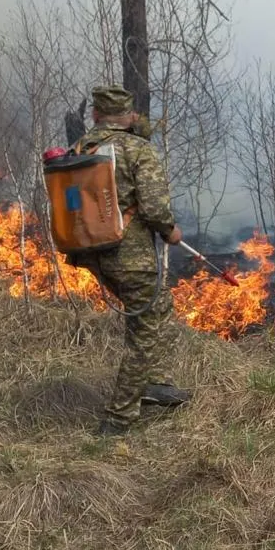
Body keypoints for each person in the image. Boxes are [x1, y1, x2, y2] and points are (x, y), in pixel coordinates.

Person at [75, 85, 191, 436]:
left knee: (161, 306)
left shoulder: (80, 149)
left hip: (93, 256)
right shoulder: (137, 149)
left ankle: (154, 383)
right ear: (128, 116)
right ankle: (119, 418)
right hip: (133, 259)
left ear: (95, 115)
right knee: (142, 333)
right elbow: (155, 207)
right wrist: (170, 231)